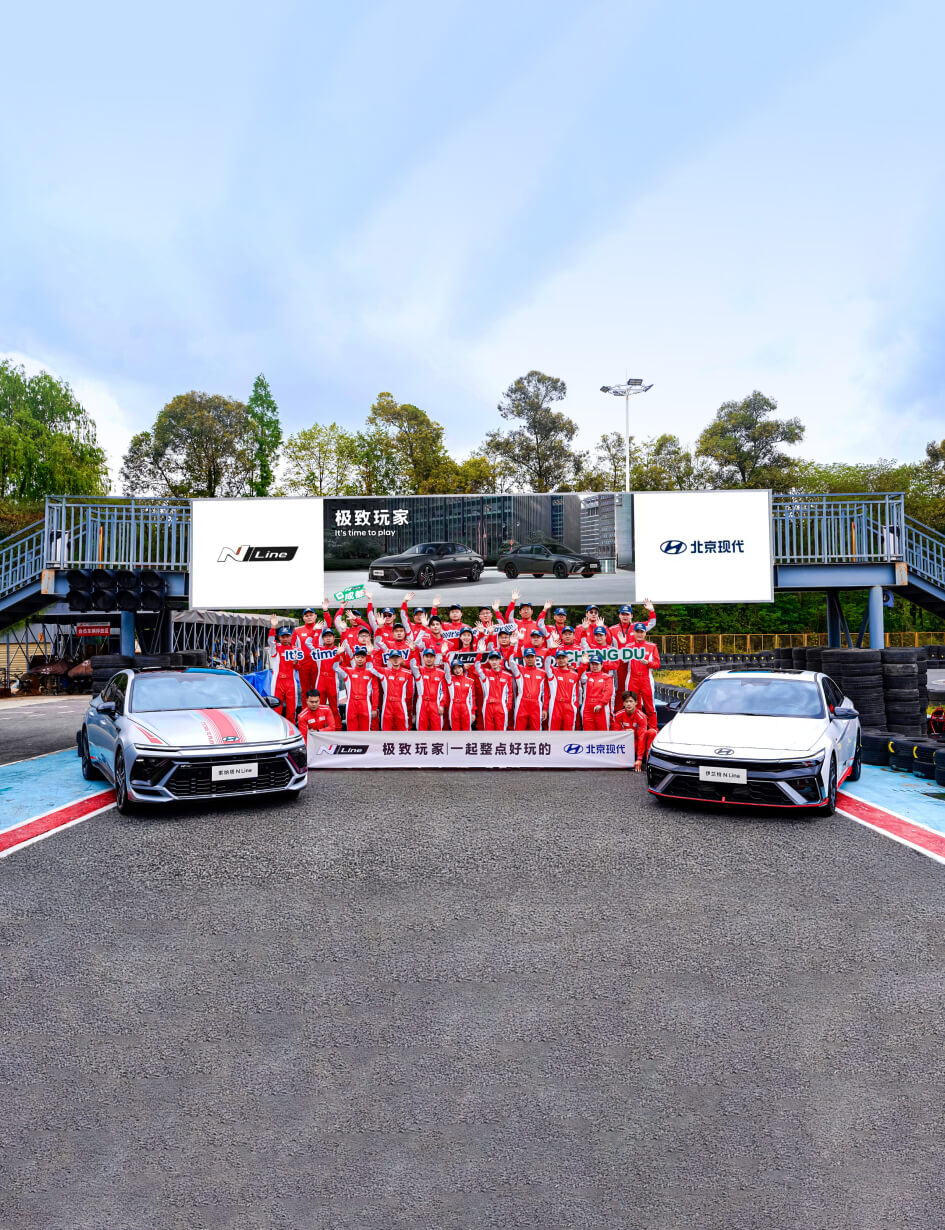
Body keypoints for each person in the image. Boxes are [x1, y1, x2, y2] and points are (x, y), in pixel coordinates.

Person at [610, 601, 656, 696]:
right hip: (619, 665)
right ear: (619, 615)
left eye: (627, 614)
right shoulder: (612, 629)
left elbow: (651, 623)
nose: (625, 616)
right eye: (623, 614)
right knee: (619, 689)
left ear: (631, 615)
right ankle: (619, 706)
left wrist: (651, 611)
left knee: (634, 692)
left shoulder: (637, 627)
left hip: (635, 664)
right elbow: (601, 640)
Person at [367, 649, 414, 731]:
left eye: (397, 657)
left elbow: (410, 692)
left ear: (401, 659)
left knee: (403, 730)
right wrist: (370, 655)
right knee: (386, 730)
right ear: (389, 660)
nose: (395, 660)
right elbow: (370, 667)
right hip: (387, 705)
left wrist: (404, 702)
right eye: (393, 658)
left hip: (401, 705)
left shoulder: (408, 673)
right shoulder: (384, 671)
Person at [627, 621, 661, 732]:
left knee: (650, 706)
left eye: (641, 632)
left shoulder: (652, 646)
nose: (639, 634)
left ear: (645, 633)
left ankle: (653, 730)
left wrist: (648, 663)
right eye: (637, 632)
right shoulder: (628, 647)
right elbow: (620, 660)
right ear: (634, 633)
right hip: (632, 679)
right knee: (633, 706)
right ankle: (636, 731)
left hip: (646, 679)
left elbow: (657, 664)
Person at [268, 615, 303, 720]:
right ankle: (276, 727)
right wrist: (273, 627)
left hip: (291, 682)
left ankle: (291, 727)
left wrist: (296, 663)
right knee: (276, 708)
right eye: (283, 636)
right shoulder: (276, 647)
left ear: (291, 636)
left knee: (292, 710)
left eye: (287, 636)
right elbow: (270, 641)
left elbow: (300, 668)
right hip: (277, 681)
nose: (285, 638)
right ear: (279, 637)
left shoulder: (296, 650)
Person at [334, 645, 376, 731]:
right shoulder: (348, 671)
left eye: (362, 657)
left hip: (365, 705)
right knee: (351, 732)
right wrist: (338, 654)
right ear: (353, 658)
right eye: (357, 657)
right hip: (351, 705)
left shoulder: (370, 672)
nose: (360, 659)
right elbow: (335, 667)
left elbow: (376, 690)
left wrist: (369, 655)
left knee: (365, 732)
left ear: (365, 659)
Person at [613, 689, 656, 771]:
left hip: (640, 743)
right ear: (623, 703)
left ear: (636, 703)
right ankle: (629, 759)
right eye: (626, 701)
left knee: (652, 732)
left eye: (631, 701)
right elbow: (615, 734)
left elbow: (641, 737)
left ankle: (648, 760)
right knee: (620, 766)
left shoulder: (641, 717)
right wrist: (625, 732)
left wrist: (639, 758)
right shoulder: (618, 715)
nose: (628, 704)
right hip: (628, 743)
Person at [474, 653, 515, 730]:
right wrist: (480, 653)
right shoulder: (486, 673)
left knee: (501, 732)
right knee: (488, 731)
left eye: (496, 660)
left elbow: (510, 693)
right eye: (492, 660)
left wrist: (507, 707)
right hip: (488, 706)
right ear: (489, 661)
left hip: (501, 706)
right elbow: (477, 666)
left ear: (500, 660)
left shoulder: (508, 676)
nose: (494, 662)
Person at [508, 650, 547, 731]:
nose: (530, 659)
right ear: (524, 658)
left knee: (536, 731)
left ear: (535, 657)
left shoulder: (542, 673)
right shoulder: (519, 669)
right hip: (522, 704)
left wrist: (545, 709)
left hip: (536, 705)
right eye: (527, 657)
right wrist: (512, 646)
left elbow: (545, 693)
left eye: (532, 657)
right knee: (519, 731)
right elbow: (510, 661)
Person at [545, 649, 583, 731]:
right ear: (556, 660)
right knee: (553, 732)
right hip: (555, 706)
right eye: (559, 658)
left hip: (569, 707)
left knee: (569, 733)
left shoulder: (575, 675)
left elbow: (576, 693)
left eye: (563, 658)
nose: (561, 660)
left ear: (567, 659)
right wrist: (550, 650)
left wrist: (575, 706)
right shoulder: (553, 671)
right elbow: (546, 664)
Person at [411, 646, 447, 730]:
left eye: (431, 657)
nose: (429, 659)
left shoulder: (441, 673)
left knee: (437, 730)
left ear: (435, 658)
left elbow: (444, 691)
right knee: (421, 730)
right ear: (423, 658)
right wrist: (413, 651)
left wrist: (442, 705)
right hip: (422, 704)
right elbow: (413, 665)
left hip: (436, 705)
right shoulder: (419, 670)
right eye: (427, 656)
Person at [580, 651, 617, 731]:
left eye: (597, 664)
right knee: (587, 732)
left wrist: (601, 704)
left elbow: (608, 692)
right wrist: (583, 664)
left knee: (603, 732)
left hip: (601, 708)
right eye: (592, 664)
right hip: (587, 708)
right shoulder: (586, 675)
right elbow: (581, 677)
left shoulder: (607, 677)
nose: (594, 666)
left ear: (602, 665)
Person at [443, 658, 475, 730]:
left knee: (467, 731)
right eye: (455, 668)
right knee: (455, 731)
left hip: (466, 708)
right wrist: (444, 657)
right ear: (452, 670)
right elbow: (447, 670)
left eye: (459, 667)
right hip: (454, 708)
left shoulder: (470, 681)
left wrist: (473, 713)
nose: (457, 670)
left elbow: (472, 698)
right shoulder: (450, 679)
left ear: (462, 667)